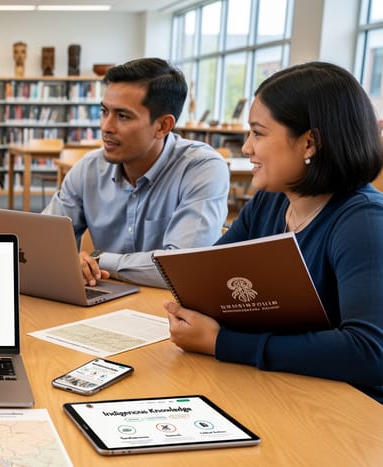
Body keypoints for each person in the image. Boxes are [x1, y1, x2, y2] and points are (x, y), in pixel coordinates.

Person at [163, 62, 383, 403]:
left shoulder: (364, 223)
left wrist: (223, 343)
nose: (247, 148)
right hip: (280, 385)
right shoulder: (268, 203)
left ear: (310, 143)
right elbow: (205, 284)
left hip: (346, 407)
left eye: (258, 133)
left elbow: (369, 352)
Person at [43, 57, 229, 288]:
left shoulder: (201, 169)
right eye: (104, 111)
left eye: (122, 116)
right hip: (105, 298)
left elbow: (183, 267)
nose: (106, 127)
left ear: (163, 126)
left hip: (171, 309)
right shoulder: (88, 169)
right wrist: (68, 260)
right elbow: (42, 242)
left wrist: (99, 261)